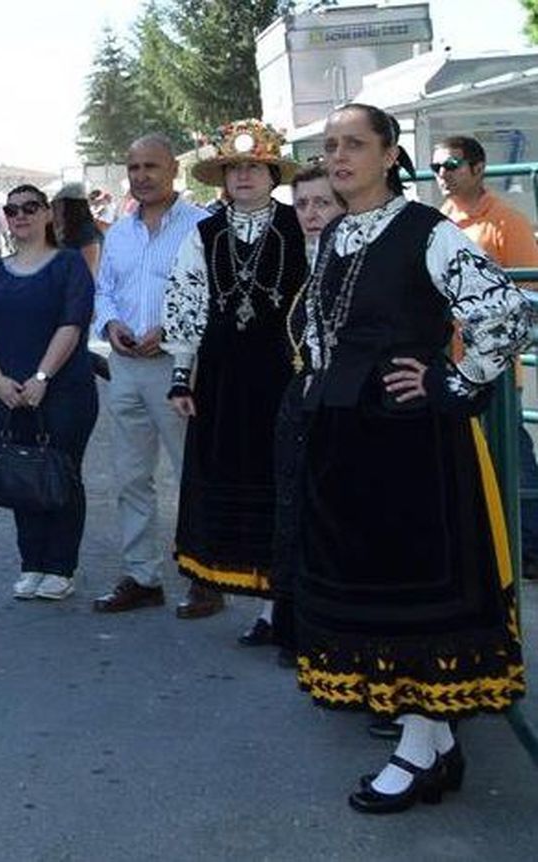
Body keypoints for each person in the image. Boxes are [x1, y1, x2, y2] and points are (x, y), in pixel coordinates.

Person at [296, 103, 528, 813]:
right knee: (377, 591)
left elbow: (507, 313)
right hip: (349, 442)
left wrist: (452, 381)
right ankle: (435, 746)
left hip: (411, 446)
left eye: (355, 145)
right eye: (331, 145)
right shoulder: (336, 232)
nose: (339, 157)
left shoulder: (428, 232)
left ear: (391, 153)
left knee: (416, 600)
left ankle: (415, 749)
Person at [163, 119, 309, 639]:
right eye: (234, 168)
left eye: (254, 167)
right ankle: (249, 600)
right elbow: (185, 304)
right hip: (223, 380)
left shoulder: (302, 226)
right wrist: (182, 376)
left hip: (283, 375)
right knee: (228, 481)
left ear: (272, 173)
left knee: (285, 483)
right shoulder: (202, 234)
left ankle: (284, 607)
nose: (244, 176)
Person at [89, 134, 210, 614]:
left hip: (179, 368)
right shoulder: (118, 232)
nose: (141, 175)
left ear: (174, 170)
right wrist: (112, 323)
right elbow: (104, 292)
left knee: (192, 476)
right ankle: (142, 576)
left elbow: (212, 297)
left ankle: (206, 577)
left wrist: (172, 329)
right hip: (125, 369)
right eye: (133, 166)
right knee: (130, 477)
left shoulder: (202, 227)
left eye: (151, 166)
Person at [0, 185, 98, 601]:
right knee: (20, 474)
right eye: (12, 209)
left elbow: (72, 323)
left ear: (47, 215)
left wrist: (42, 377)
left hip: (63, 391)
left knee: (62, 473)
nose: (20, 215)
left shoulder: (69, 265)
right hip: (3, 393)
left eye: (29, 207)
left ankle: (61, 566)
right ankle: (32, 563)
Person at [432, 134, 538, 581]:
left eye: (452, 164)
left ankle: (529, 547)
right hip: (444, 367)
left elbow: (527, 294)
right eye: (437, 166)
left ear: (478, 168)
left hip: (490, 368)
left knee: (511, 453)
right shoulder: (437, 222)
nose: (443, 173)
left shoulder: (507, 224)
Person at [269, 162, 346, 667]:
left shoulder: (353, 259)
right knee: (296, 513)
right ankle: (299, 630)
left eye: (322, 203)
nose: (312, 214)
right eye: (302, 205)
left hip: (344, 407)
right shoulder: (308, 256)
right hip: (303, 404)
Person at [51, 181, 104, 277]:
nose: (54, 213)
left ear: (69, 208)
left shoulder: (87, 233)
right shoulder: (72, 231)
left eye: (57, 207)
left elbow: (88, 274)